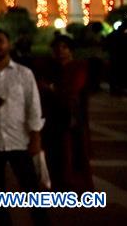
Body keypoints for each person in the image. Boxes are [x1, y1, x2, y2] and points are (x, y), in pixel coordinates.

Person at [0, 28, 47, 226]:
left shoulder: (24, 74)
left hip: (19, 140)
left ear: (8, 44)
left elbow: (34, 106)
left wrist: (36, 136)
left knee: (31, 189)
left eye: (0, 41)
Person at [40, 35, 93, 192]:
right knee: (54, 154)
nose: (60, 51)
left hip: (72, 118)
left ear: (71, 50)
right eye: (57, 48)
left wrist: (52, 88)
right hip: (52, 117)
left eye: (64, 47)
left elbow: (73, 88)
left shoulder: (78, 67)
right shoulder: (49, 68)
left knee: (73, 154)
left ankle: (76, 187)